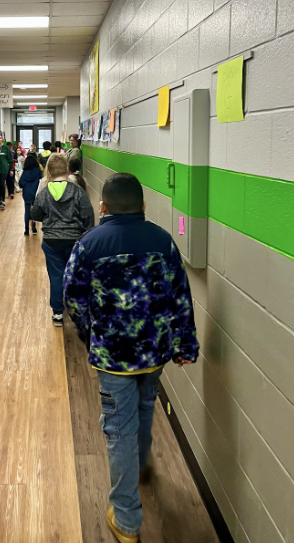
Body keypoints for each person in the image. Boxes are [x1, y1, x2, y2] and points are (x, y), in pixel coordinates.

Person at [63, 173, 199, 543]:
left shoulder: (89, 244)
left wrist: (91, 333)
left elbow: (73, 298)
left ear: (102, 207)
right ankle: (138, 466)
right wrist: (184, 345)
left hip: (113, 358)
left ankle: (125, 519)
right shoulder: (163, 241)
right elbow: (180, 296)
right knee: (144, 408)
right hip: (153, 353)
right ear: (143, 205)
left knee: (118, 428)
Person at [31, 153, 94, 327]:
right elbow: (88, 216)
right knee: (75, 275)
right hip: (74, 241)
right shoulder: (78, 191)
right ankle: (77, 311)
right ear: (67, 169)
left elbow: (35, 214)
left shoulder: (44, 193)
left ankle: (58, 313)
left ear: (49, 172)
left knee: (56, 276)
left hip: (51, 241)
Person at [18, 153, 42, 236]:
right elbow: (41, 179)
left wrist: (25, 185)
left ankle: (26, 229)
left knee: (27, 211)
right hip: (36, 192)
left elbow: (20, 183)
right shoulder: (38, 170)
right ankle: (34, 226)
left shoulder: (25, 172)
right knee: (35, 210)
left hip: (27, 193)